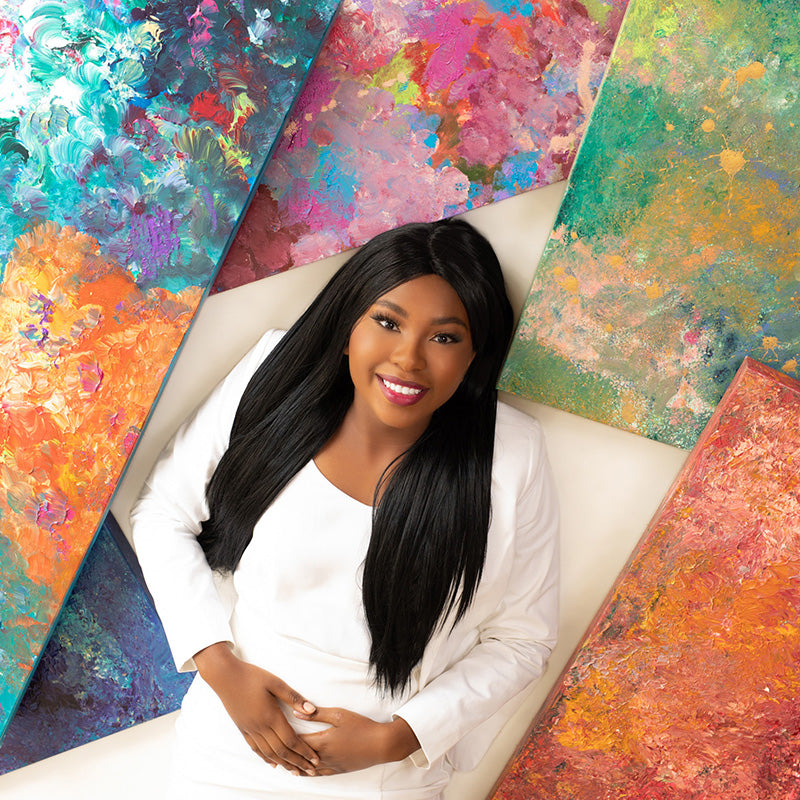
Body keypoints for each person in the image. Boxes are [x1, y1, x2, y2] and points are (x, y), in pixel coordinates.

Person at [130, 218, 559, 800]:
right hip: (223, 759)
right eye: (388, 322)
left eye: (444, 338)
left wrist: (400, 738)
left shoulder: (510, 454)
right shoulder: (275, 374)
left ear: (474, 355)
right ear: (349, 322)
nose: (408, 359)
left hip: (386, 784)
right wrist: (219, 668)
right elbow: (163, 512)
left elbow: (523, 639)